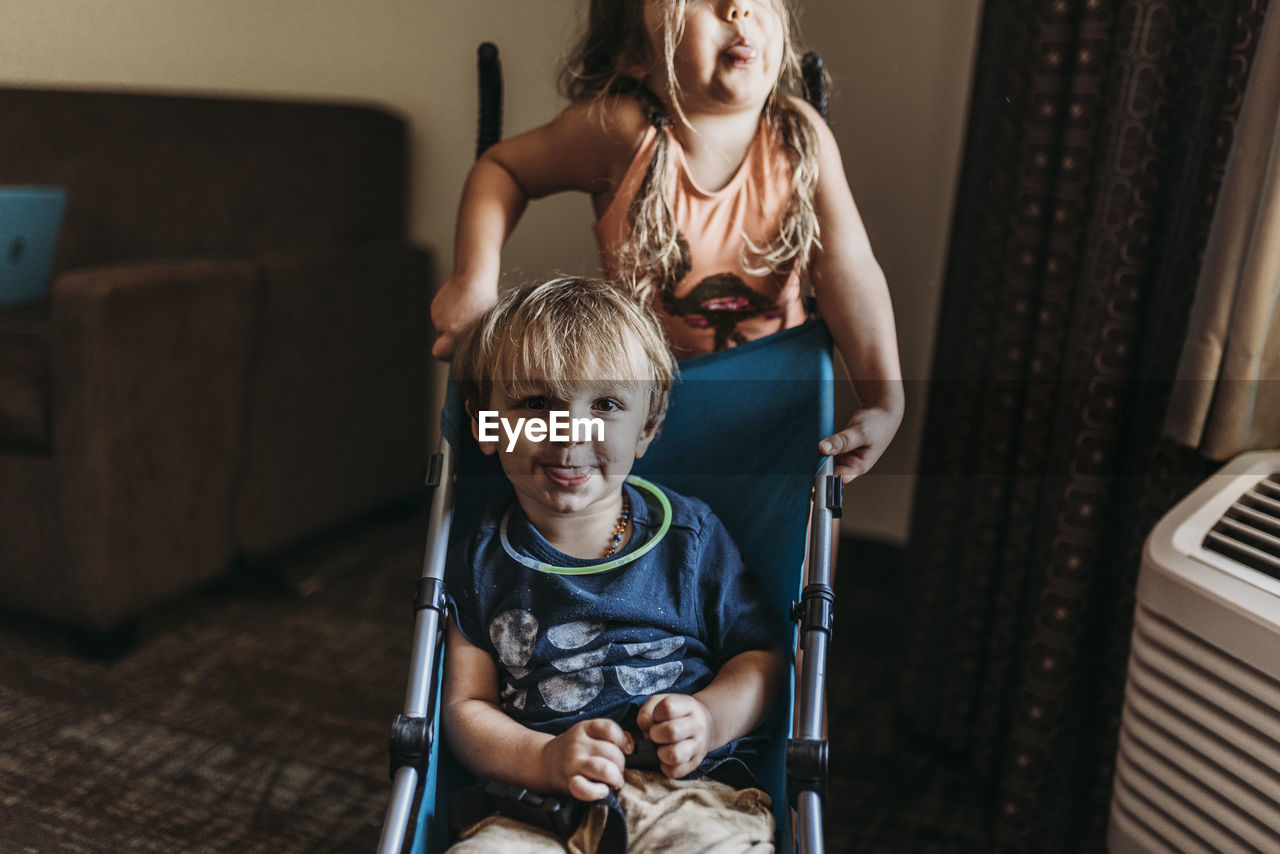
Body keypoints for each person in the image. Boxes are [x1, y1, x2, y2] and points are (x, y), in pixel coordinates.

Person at [431, 0, 904, 482]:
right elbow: (503, 169)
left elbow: (848, 268)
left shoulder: (802, 135)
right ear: (633, 51)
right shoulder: (622, 131)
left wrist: (883, 399)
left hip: (773, 398)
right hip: (641, 404)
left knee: (798, 540)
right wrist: (474, 278)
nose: (738, 7)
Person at [444, 277, 785, 852]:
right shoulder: (481, 556)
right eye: (534, 403)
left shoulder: (690, 537)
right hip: (533, 804)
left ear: (647, 428)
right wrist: (543, 758)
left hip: (687, 794)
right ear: (488, 425)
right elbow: (464, 707)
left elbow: (764, 659)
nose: (571, 434)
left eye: (604, 405)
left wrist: (707, 719)